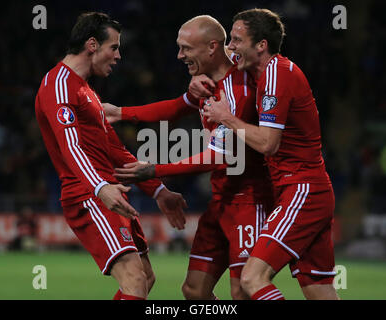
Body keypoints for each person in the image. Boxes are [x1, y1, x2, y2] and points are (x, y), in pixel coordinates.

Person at [105, 15, 273, 300]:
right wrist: (120, 113)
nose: (179, 55)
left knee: (242, 290)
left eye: (186, 48)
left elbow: (218, 157)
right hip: (221, 200)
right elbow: (177, 106)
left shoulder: (240, 92)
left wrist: (155, 170)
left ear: (211, 47)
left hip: (250, 201)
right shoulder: (208, 83)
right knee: (194, 291)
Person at [35, 12, 187, 300]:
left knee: (145, 277)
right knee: (135, 280)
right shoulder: (58, 84)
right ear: (92, 44)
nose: (118, 56)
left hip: (108, 191)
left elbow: (115, 151)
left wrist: (159, 192)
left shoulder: (86, 91)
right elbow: (71, 145)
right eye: (114, 47)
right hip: (89, 194)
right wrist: (100, 187)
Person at [202, 9, 339, 300]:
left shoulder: (275, 73)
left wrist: (226, 118)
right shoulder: (263, 76)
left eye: (237, 40)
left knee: (252, 279)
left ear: (261, 45)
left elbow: (267, 144)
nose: (231, 47)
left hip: (301, 189)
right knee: (320, 291)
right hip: (308, 189)